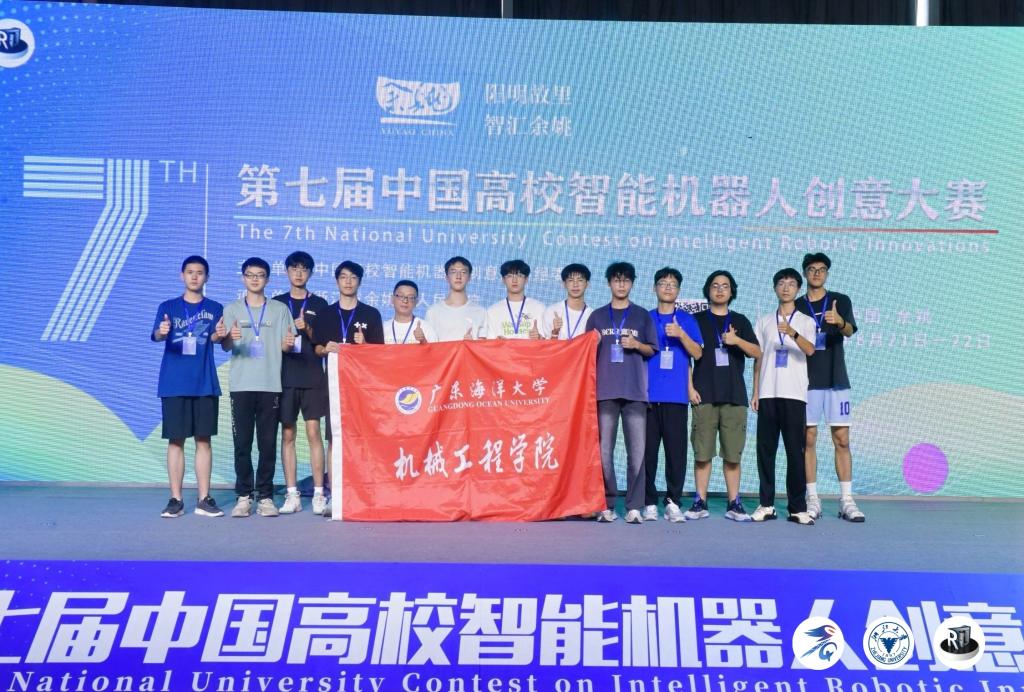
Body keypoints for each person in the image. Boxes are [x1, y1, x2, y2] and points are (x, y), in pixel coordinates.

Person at [220, 257, 296, 518]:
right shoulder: (231, 309)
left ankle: (265, 496)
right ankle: (243, 496)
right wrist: (229, 337)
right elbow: (225, 346)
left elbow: (288, 346)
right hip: (241, 385)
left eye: (260, 275)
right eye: (250, 275)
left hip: (270, 385)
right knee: (242, 443)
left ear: (267, 279)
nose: (255, 279)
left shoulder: (279, 309)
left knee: (267, 444)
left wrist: (288, 344)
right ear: (243, 278)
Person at [152, 255, 225, 518]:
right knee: (176, 441)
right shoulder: (168, 307)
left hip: (204, 383)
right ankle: (175, 499)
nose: (195, 277)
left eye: (200, 272)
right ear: (181, 275)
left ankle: (204, 499)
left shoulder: (215, 307)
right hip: (174, 384)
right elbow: (157, 335)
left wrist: (220, 335)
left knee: (204, 440)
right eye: (190, 272)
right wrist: (162, 331)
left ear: (207, 277)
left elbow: (217, 338)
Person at [585, 262, 658, 524]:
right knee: (603, 452)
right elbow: (585, 352)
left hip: (635, 392)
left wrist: (637, 344)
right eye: (616, 280)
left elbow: (652, 349)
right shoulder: (597, 316)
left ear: (632, 284)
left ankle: (634, 506)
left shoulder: (641, 315)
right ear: (609, 283)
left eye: (626, 280)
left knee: (636, 452)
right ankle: (606, 504)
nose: (621, 284)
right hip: (604, 391)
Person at [686, 271, 761, 522]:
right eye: (715, 286)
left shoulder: (740, 320)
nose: (720, 290)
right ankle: (700, 501)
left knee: (732, 454)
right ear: (708, 290)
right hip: (703, 395)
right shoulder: (696, 320)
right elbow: (686, 356)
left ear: (732, 291)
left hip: (734, 396)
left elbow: (757, 352)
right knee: (702, 453)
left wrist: (736, 340)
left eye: (725, 286)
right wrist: (689, 388)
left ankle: (734, 503)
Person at [795, 252, 864, 522]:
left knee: (842, 440)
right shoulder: (797, 305)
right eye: (812, 269)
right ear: (805, 273)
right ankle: (812, 499)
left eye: (822, 269)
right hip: (807, 381)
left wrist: (840, 322)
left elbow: (850, 331)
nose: (817, 273)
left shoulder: (840, 301)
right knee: (808, 440)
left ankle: (847, 500)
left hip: (836, 380)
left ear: (827, 273)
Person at [313, 261, 385, 502]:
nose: (348, 281)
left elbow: (379, 354)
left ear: (360, 282)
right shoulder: (325, 314)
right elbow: (317, 349)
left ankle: (364, 492)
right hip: (334, 387)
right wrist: (325, 349)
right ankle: (335, 494)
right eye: (343, 277)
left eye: (353, 277)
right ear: (337, 281)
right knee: (334, 438)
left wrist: (364, 346)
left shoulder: (371, 314)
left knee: (363, 439)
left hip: (362, 388)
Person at [750, 268, 818, 525]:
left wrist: (792, 333)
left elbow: (810, 350)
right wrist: (755, 391)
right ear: (775, 288)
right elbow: (758, 358)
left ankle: (797, 507)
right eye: (781, 283)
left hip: (794, 394)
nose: (786, 288)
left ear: (798, 289)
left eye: (791, 284)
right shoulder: (764, 321)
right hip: (768, 392)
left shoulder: (805, 321)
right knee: (765, 451)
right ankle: (766, 504)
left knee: (795, 452)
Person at [642, 267, 703, 523]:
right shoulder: (645, 318)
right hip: (648, 397)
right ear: (654, 288)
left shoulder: (687, 320)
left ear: (678, 290)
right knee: (647, 454)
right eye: (663, 283)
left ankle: (673, 501)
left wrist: (681, 334)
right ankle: (648, 502)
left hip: (676, 397)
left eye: (673, 284)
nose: (668, 287)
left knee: (676, 453)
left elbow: (697, 354)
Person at [273, 251, 329, 515]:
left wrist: (307, 328)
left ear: (310, 273)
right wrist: (282, 343)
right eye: (294, 268)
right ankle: (292, 494)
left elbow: (323, 342)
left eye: (304, 269)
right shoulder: (276, 303)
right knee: (287, 434)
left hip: (313, 377)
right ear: (286, 271)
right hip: (285, 378)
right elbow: (269, 342)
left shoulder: (320, 303)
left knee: (314, 433)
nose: (298, 273)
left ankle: (319, 494)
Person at [426, 256, 487, 341]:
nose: (458, 276)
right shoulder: (433, 312)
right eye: (453, 272)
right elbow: (429, 346)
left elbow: (484, 345)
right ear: (447, 277)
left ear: (469, 278)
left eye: (463, 272)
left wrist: (473, 344)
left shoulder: (480, 312)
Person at [486, 259, 548, 339]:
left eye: (519, 275)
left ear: (526, 279)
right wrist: (497, 342)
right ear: (503, 280)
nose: (514, 280)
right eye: (509, 276)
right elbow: (489, 342)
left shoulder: (539, 308)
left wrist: (539, 337)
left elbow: (548, 341)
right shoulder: (493, 311)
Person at [542, 263, 594, 340]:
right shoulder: (552, 311)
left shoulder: (592, 315)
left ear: (587, 284)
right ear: (564, 284)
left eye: (580, 280)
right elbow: (545, 345)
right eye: (570, 280)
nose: (575, 284)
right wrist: (555, 333)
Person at [384, 280, 437, 344]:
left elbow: (435, 350)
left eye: (411, 297)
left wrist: (423, 341)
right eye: (401, 296)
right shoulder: (383, 328)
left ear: (416, 302)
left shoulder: (426, 328)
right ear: (392, 299)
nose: (405, 301)